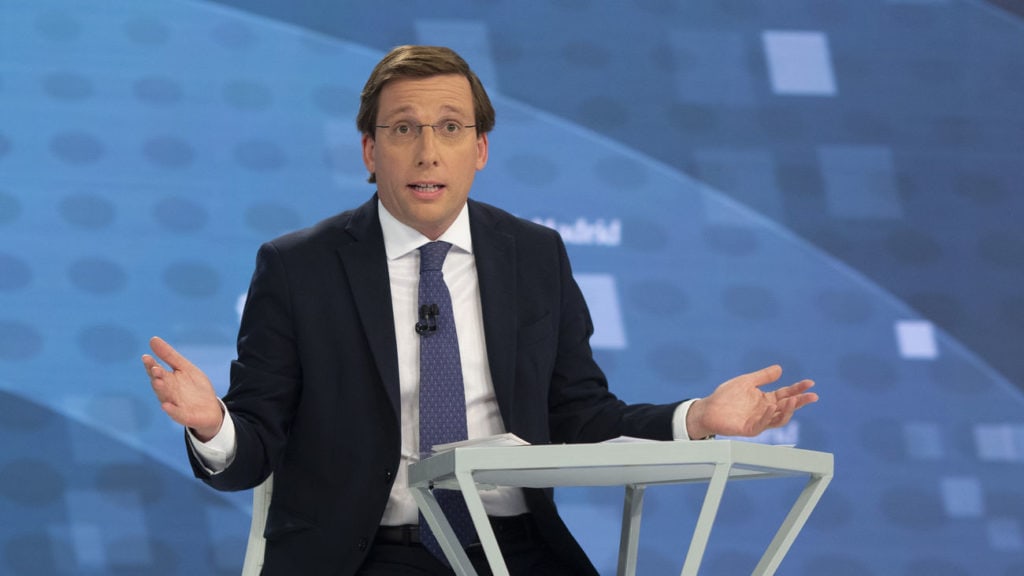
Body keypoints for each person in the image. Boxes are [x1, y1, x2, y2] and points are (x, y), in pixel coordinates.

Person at [142, 45, 818, 576]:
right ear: (370, 152)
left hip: (516, 548)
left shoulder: (534, 255)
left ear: (481, 149)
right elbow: (252, 452)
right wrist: (213, 425)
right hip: (370, 551)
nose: (428, 150)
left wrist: (697, 418)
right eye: (403, 129)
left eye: (450, 128)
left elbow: (579, 417)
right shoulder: (299, 268)